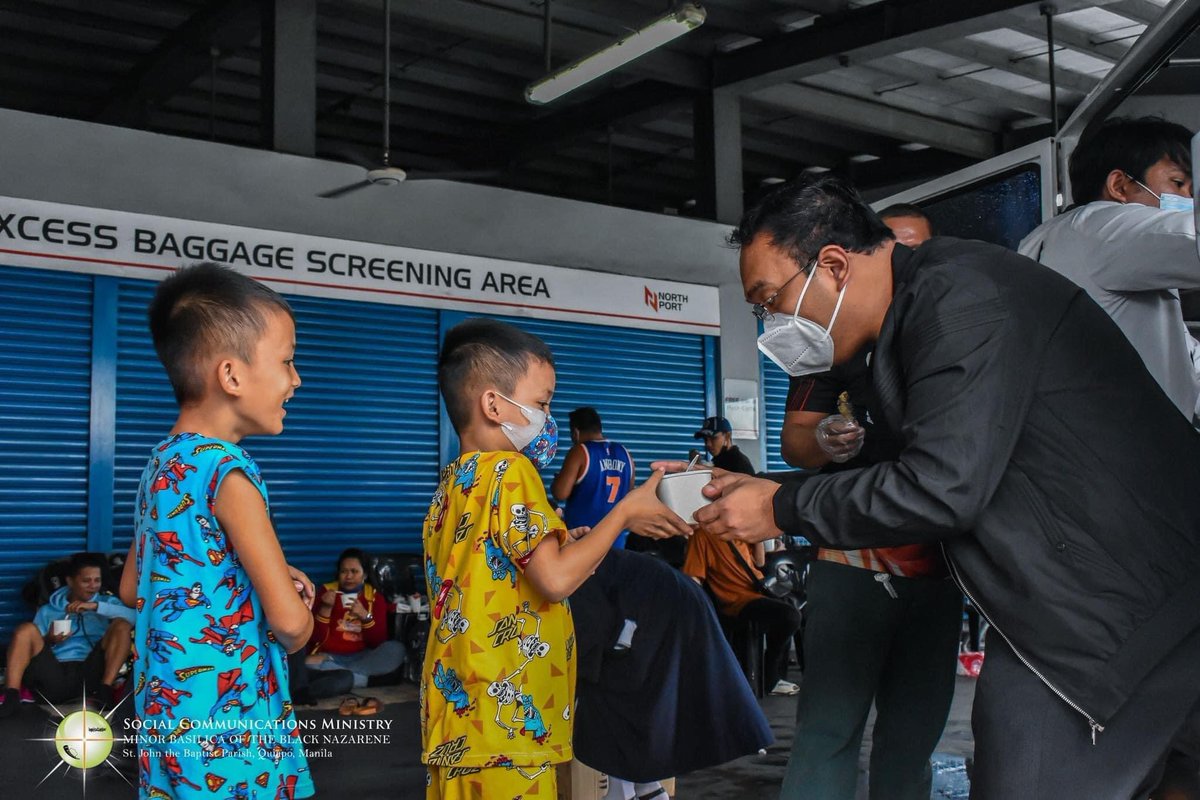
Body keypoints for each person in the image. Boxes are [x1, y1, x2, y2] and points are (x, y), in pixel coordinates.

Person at [684, 174, 1200, 799]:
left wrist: (781, 506)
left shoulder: (961, 301)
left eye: (769, 299)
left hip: (1117, 605)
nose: (771, 324)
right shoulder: (908, 323)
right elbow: (928, 458)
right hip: (1101, 596)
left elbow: (941, 486)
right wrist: (749, 486)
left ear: (834, 265)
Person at [422, 318, 689, 800]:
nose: (548, 417)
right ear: (493, 404)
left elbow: (503, 571)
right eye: (542, 403)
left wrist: (574, 543)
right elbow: (555, 580)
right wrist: (623, 512)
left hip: (459, 719)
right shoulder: (511, 471)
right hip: (510, 722)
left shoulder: (453, 484)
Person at [118, 262, 316, 800]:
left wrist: (239, 580)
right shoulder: (229, 472)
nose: (296, 379)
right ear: (231, 376)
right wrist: (298, 610)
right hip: (232, 730)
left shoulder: (161, 464)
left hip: (167, 717)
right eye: (287, 361)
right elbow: (291, 625)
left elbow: (134, 589)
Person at [778, 348, 961, 798]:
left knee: (912, 743)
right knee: (827, 733)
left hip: (940, 566)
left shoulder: (950, 334)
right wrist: (823, 438)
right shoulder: (828, 346)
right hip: (852, 564)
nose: (773, 314)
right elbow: (795, 441)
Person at [1019, 116, 1200, 423]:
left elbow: (1183, 357)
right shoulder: (1108, 226)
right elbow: (1191, 238)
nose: (1189, 201)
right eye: (1178, 184)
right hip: (1119, 447)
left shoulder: (1050, 237)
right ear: (1120, 186)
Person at [0, 552, 134, 717]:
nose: (93, 586)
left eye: (97, 580)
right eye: (86, 581)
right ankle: (11, 696)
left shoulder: (106, 603)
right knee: (25, 630)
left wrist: (96, 607)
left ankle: (104, 691)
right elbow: (30, 646)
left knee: (122, 624)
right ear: (70, 581)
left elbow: (136, 618)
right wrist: (49, 639)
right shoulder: (48, 609)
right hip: (54, 675)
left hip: (91, 674)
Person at [682, 526, 802, 696]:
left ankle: (773, 675)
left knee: (793, 611)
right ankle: (771, 677)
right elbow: (693, 577)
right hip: (736, 599)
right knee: (789, 617)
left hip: (758, 589)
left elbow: (759, 563)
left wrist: (759, 536)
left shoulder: (741, 529)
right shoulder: (702, 535)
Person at [307, 547, 405, 691]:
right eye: (344, 571)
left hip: (362, 658)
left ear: (364, 574)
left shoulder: (374, 597)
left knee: (396, 649)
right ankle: (364, 680)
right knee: (307, 663)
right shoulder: (326, 592)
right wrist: (325, 608)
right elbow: (315, 639)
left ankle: (345, 676)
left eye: (354, 571)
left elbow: (377, 642)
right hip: (330, 657)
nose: (348, 576)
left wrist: (365, 617)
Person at [551, 407, 635, 547]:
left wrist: (557, 480)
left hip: (583, 541)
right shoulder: (625, 453)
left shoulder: (580, 451)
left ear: (576, 432)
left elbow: (560, 493)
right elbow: (629, 494)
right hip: (615, 541)